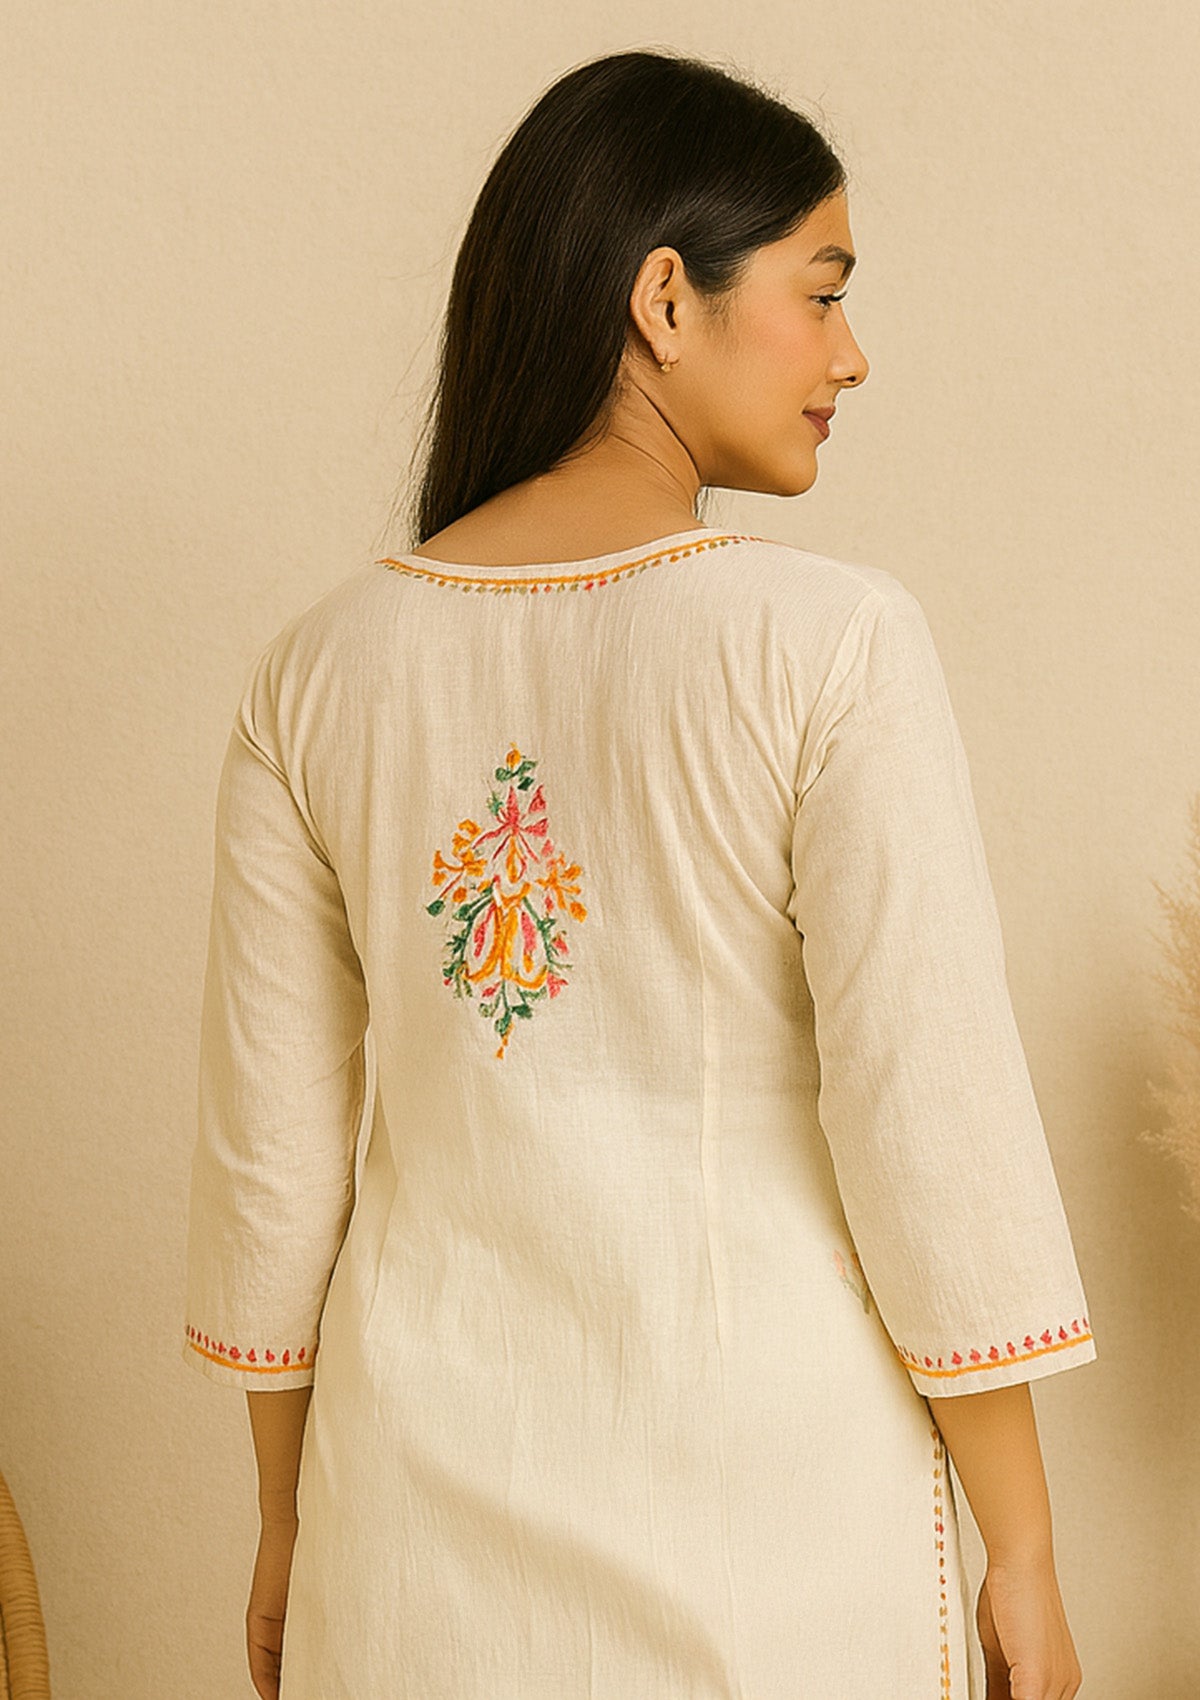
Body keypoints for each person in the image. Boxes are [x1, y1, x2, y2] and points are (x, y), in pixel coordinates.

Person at [182, 46, 1097, 1700]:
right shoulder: (828, 645)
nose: (853, 354)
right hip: (771, 1545)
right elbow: (928, 1120)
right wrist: (1020, 1545)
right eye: (823, 293)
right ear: (665, 299)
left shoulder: (314, 674)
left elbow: (273, 1176)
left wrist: (284, 1522)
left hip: (409, 1559)